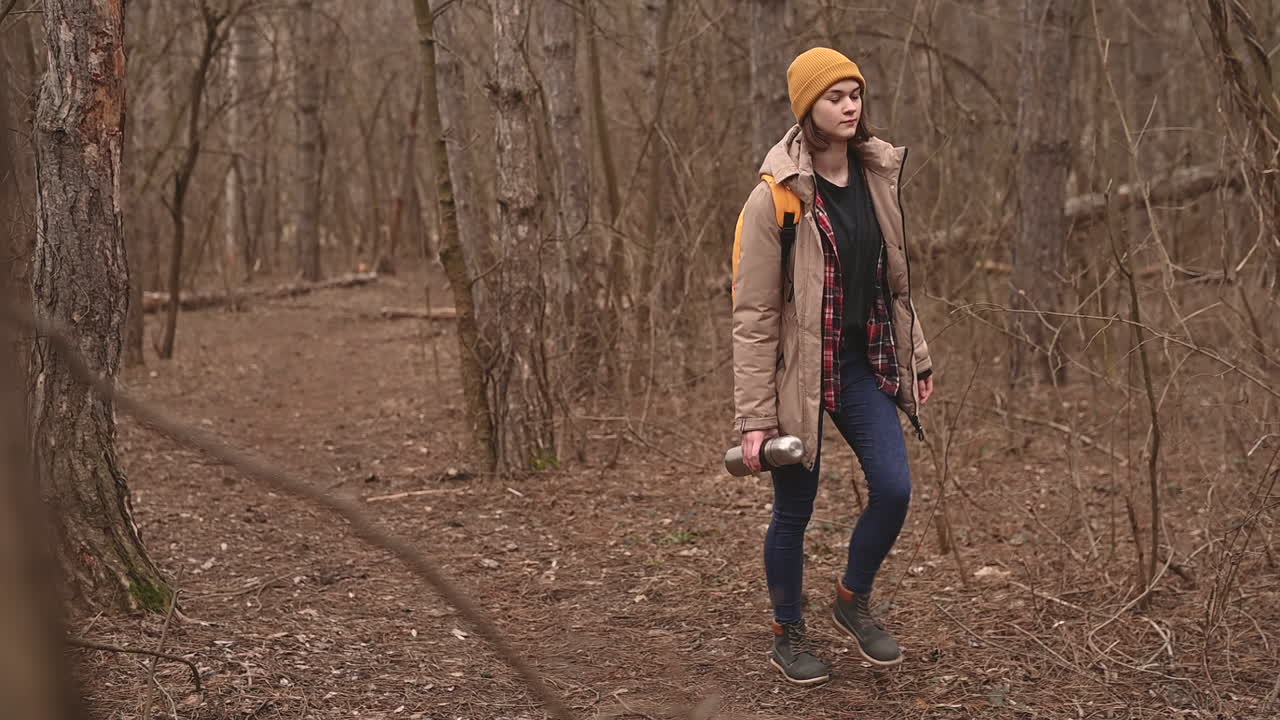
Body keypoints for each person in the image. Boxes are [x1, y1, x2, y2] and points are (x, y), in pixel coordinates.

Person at [730, 47, 935, 685]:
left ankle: (851, 599)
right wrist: (756, 420)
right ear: (808, 109)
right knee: (795, 510)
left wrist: (917, 358)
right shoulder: (776, 202)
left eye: (855, 94)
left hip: (858, 365)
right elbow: (756, 316)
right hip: (800, 374)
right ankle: (788, 631)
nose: (850, 106)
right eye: (835, 97)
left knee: (895, 489)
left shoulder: (876, 177)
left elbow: (892, 285)